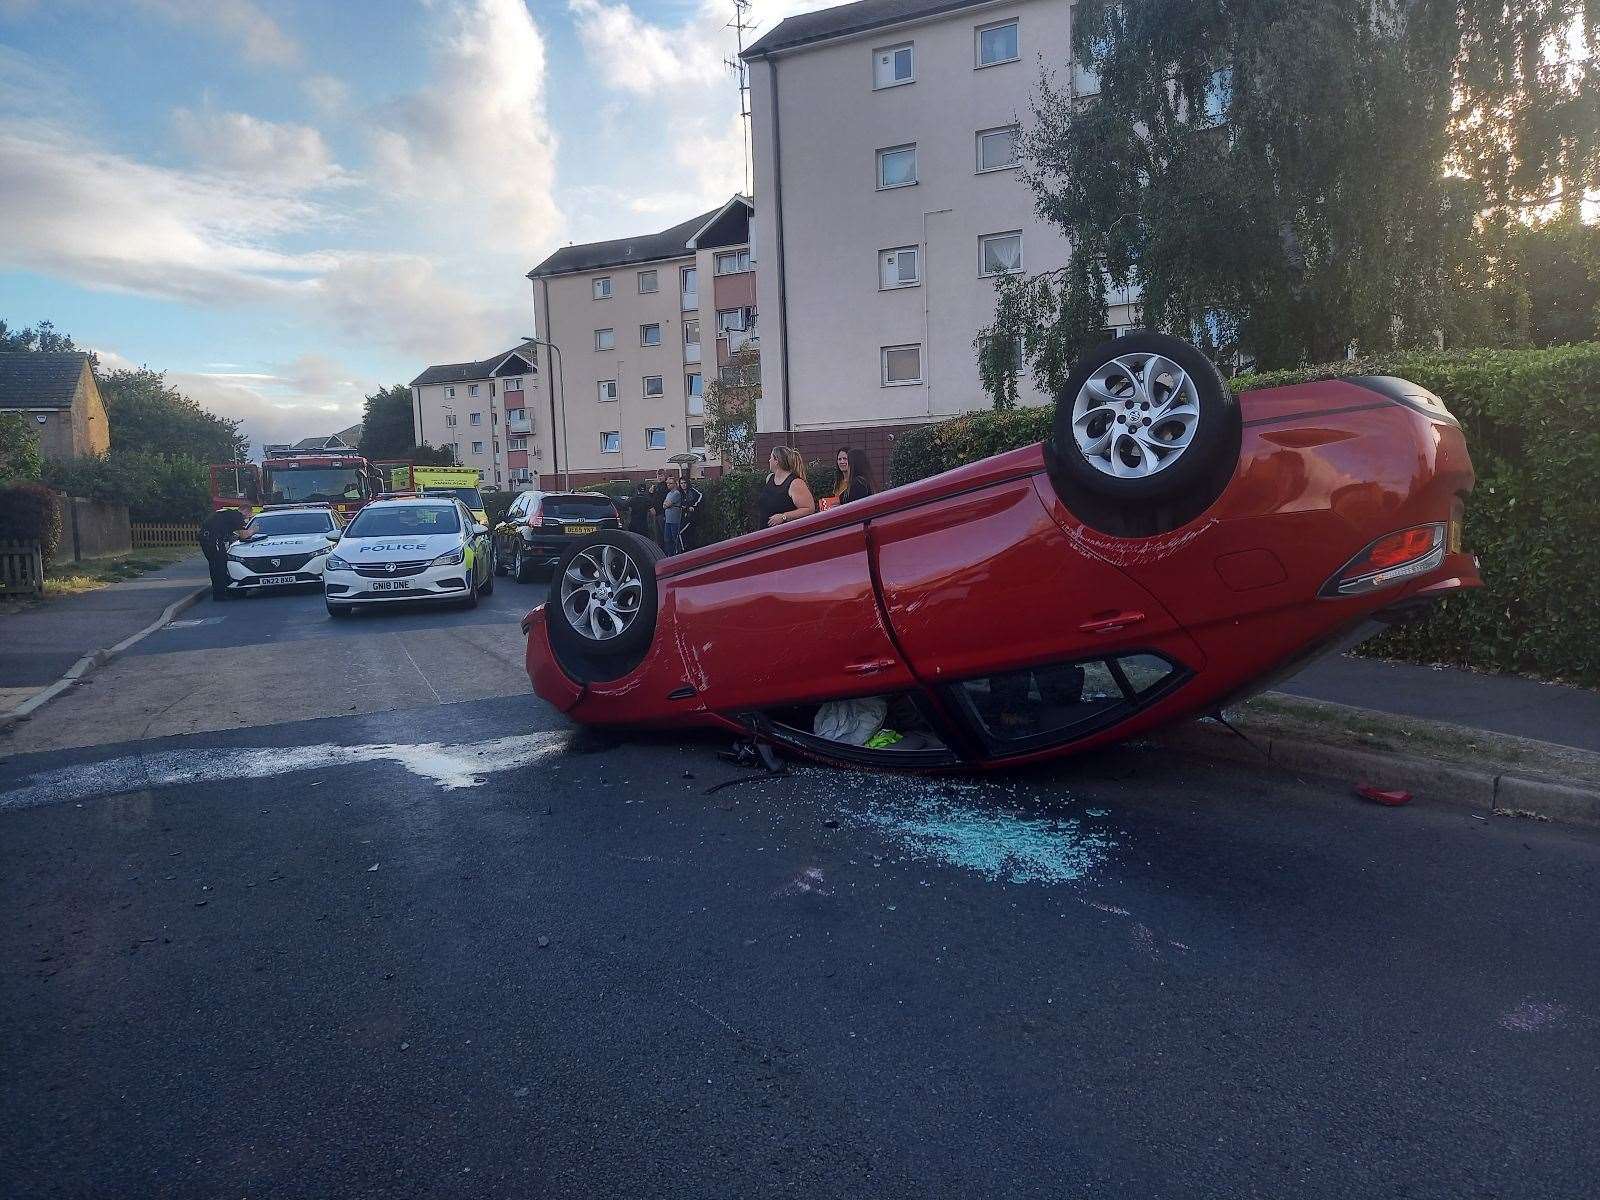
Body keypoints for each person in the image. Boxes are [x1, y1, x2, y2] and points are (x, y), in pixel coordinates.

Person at [757, 446, 817, 530]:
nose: (769, 460)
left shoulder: (795, 483)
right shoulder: (769, 478)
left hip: (784, 535)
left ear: (777, 461)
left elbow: (809, 509)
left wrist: (784, 516)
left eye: (771, 458)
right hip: (764, 533)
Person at [198, 506, 247, 601]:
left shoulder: (226, 513)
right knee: (219, 565)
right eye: (247, 516)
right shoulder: (237, 516)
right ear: (245, 511)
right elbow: (244, 535)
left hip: (206, 538)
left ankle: (220, 591)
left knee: (215, 564)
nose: (245, 519)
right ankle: (219, 594)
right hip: (213, 540)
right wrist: (254, 530)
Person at [662, 475, 684, 555]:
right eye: (667, 483)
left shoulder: (676, 493)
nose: (668, 485)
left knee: (675, 538)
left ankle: (677, 554)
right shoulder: (668, 494)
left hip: (674, 520)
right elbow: (664, 505)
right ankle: (669, 555)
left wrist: (667, 504)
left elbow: (666, 505)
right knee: (667, 539)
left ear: (675, 484)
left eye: (670, 483)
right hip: (668, 520)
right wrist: (666, 504)